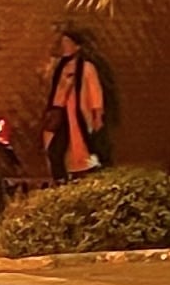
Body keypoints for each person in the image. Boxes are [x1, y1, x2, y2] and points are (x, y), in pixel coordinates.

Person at [44, 28, 116, 182]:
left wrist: (97, 115)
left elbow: (95, 92)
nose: (65, 46)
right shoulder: (61, 68)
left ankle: (95, 172)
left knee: (87, 148)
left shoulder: (87, 68)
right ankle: (61, 179)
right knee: (55, 149)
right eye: (63, 43)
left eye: (68, 43)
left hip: (80, 115)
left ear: (77, 47)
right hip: (63, 114)